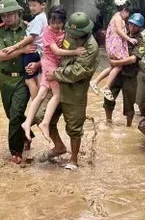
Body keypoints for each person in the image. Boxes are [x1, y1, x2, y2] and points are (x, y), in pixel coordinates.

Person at [21, 6, 85, 142]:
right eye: (53, 22)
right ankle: (45, 123)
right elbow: (56, 51)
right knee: (57, 95)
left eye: (59, 22)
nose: (55, 25)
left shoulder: (64, 32)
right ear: (49, 21)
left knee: (41, 94)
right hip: (50, 65)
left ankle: (27, 122)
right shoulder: (48, 32)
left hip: (47, 64)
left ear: (63, 22)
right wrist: (75, 52)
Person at [46, 12, 99, 170]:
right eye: (71, 33)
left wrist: (55, 73)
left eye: (76, 35)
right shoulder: (68, 35)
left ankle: (74, 159)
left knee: (74, 127)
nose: (72, 37)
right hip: (57, 87)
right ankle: (59, 146)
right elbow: (55, 52)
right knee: (43, 118)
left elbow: (79, 70)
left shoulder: (91, 47)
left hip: (75, 91)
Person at [0, 0, 41, 164]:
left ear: (18, 13)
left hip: (23, 78)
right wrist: (22, 50)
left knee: (15, 114)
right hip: (5, 79)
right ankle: (27, 134)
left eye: (9, 14)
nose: (6, 18)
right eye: (3, 15)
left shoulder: (29, 28)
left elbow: (39, 50)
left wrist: (37, 64)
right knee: (10, 114)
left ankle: (16, 152)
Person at [1, 0, 48, 100]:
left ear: (43, 5)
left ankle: (35, 104)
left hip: (32, 51)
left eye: (34, 6)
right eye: (30, 5)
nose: (31, 8)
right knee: (35, 77)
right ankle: (38, 104)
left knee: (29, 80)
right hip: (38, 52)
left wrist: (14, 46)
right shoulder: (42, 17)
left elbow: (31, 37)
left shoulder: (38, 19)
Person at [90, 0, 137, 101]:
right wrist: (129, 39)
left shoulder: (115, 17)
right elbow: (120, 31)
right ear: (124, 10)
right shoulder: (118, 18)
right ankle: (106, 87)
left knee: (113, 66)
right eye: (128, 13)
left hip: (113, 46)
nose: (128, 16)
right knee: (118, 66)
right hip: (116, 46)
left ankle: (95, 81)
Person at [103, 13, 144, 127]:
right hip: (117, 73)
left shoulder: (140, 41)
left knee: (129, 103)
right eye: (130, 23)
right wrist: (111, 58)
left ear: (140, 27)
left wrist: (116, 63)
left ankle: (129, 126)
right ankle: (108, 122)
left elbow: (133, 59)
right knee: (108, 97)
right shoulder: (122, 34)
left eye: (135, 25)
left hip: (130, 75)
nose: (132, 27)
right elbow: (111, 44)